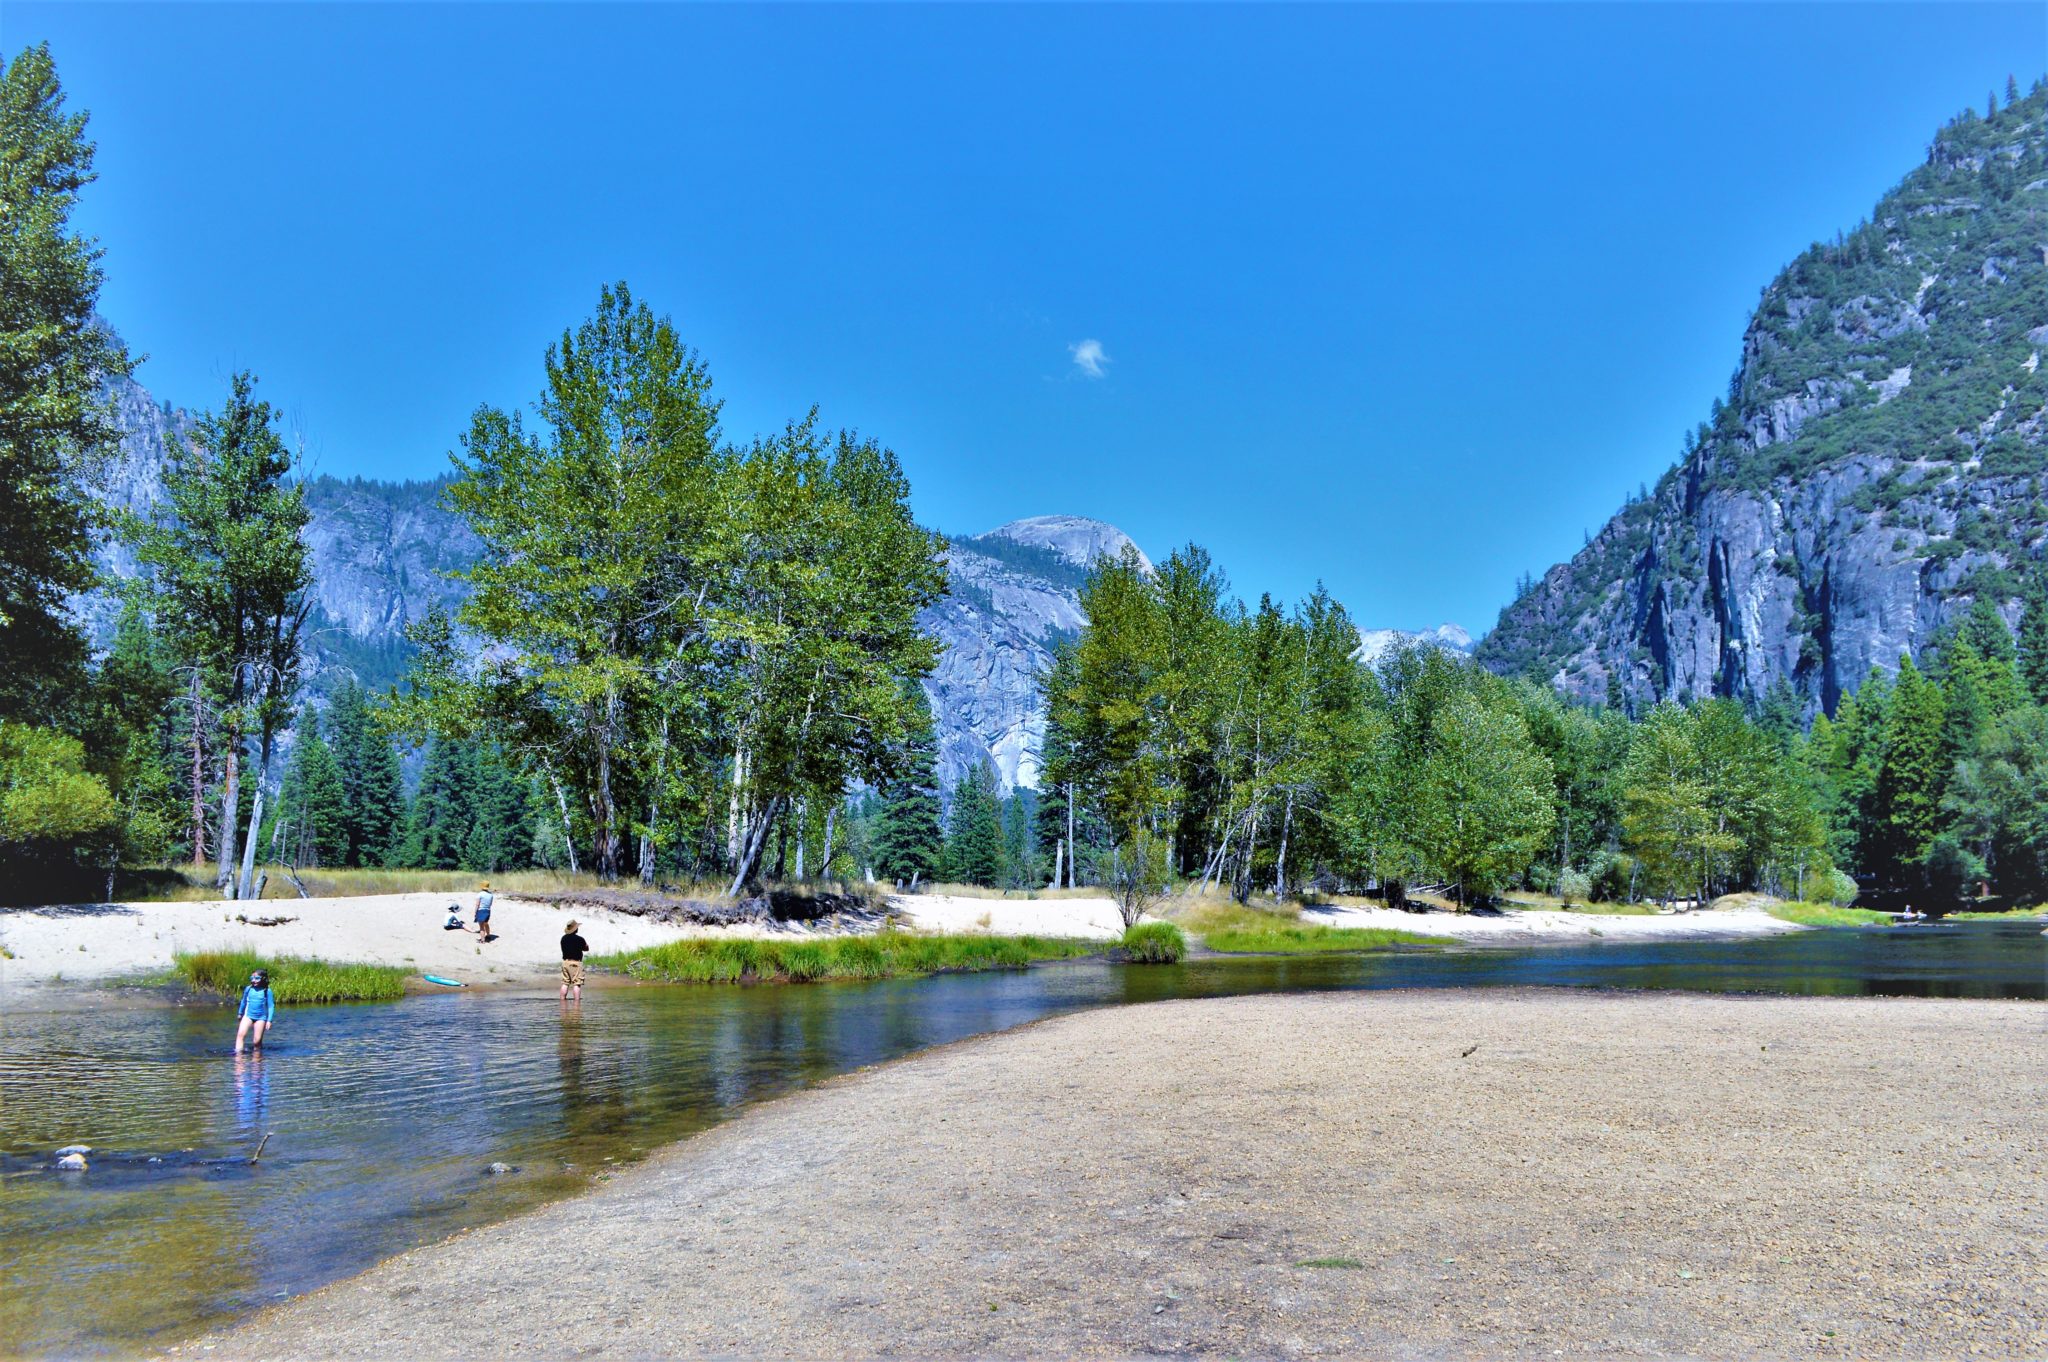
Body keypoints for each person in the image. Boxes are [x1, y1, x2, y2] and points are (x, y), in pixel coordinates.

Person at [234, 969, 276, 1053]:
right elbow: (243, 1001)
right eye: (252, 978)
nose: (254, 980)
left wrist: (269, 1020)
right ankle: (238, 1057)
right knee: (240, 1035)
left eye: (257, 978)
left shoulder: (267, 991)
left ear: (263, 978)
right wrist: (240, 1013)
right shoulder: (248, 989)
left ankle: (257, 1060)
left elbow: (271, 1006)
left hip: (261, 1018)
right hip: (247, 1016)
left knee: (257, 1041)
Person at [560, 918, 589, 1002]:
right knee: (577, 984)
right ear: (575, 929)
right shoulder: (580, 939)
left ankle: (562, 1001)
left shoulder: (563, 938)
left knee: (565, 983)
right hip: (576, 963)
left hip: (565, 962)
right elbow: (586, 948)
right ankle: (577, 1004)